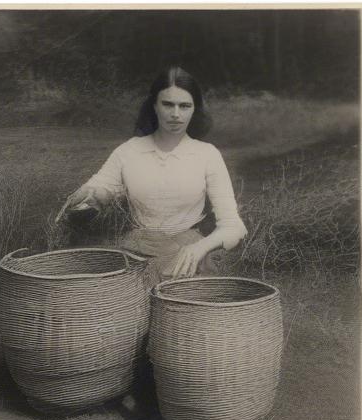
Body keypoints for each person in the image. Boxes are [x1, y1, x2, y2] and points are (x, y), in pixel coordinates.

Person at [59, 66, 247, 283]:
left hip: (187, 254)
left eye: (185, 106)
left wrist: (198, 248)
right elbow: (100, 188)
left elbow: (234, 227)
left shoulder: (207, 154)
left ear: (195, 109)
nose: (176, 114)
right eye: (168, 104)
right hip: (138, 250)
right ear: (154, 106)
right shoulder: (129, 151)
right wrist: (88, 198)